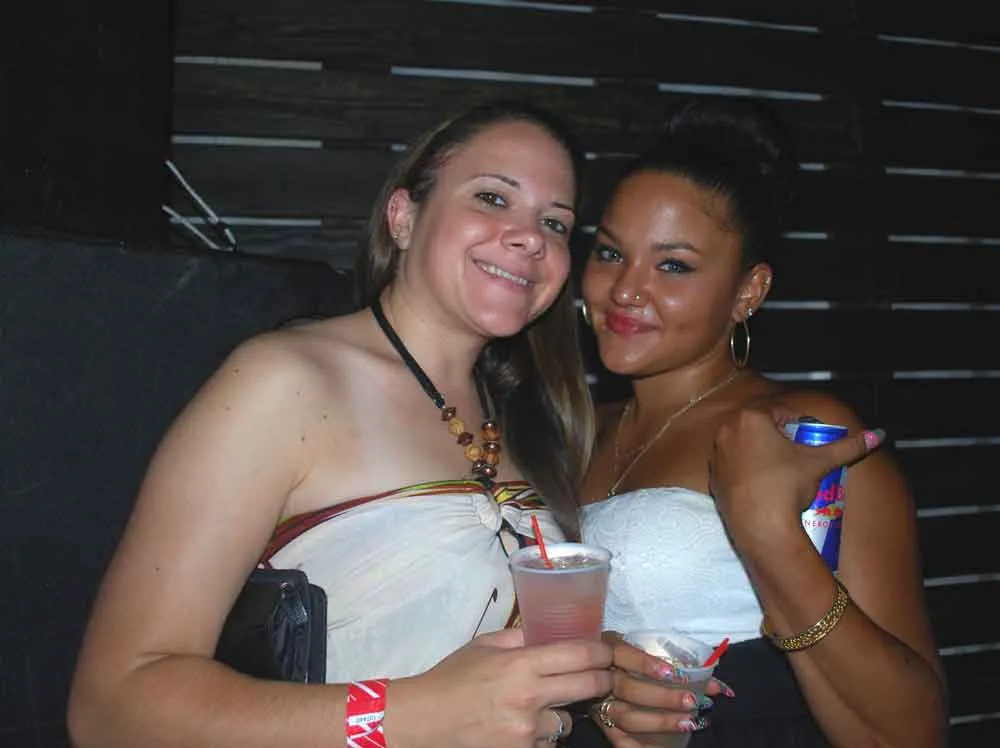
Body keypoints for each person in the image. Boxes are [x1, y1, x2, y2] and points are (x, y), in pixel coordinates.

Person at [67, 99, 628, 748]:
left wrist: (608, 689)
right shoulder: (285, 382)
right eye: (493, 198)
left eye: (554, 223)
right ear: (403, 216)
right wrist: (411, 714)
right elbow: (111, 706)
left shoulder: (530, 420)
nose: (531, 237)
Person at [574, 98, 948, 747]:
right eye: (610, 253)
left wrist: (769, 535)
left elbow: (913, 734)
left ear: (749, 291)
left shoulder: (804, 433)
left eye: (673, 265)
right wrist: (601, 696)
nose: (625, 290)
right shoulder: (581, 430)